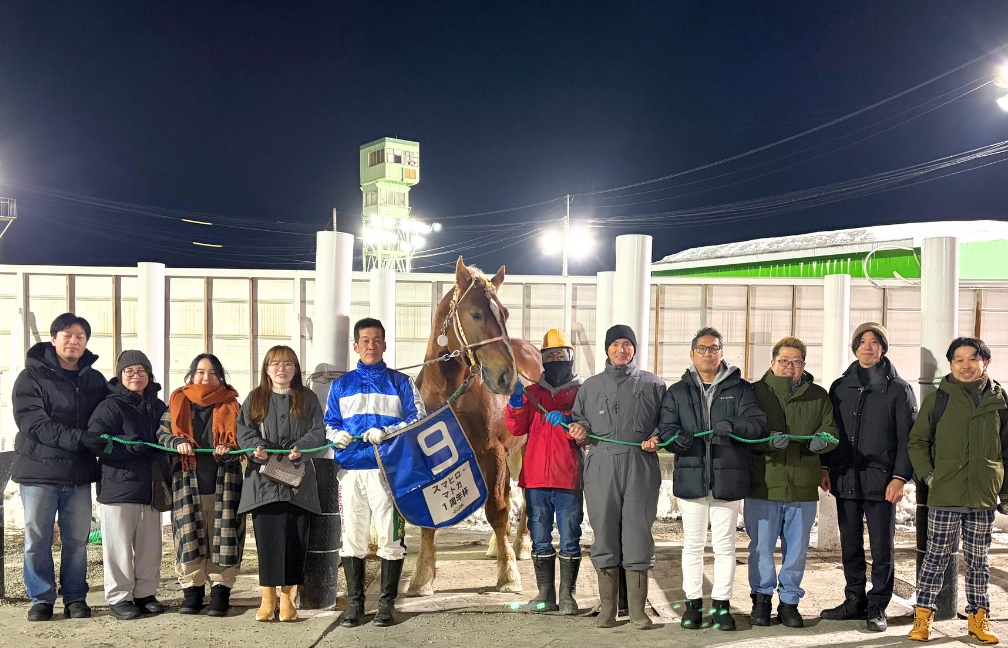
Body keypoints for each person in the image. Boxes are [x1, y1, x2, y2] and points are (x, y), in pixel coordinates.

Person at [657, 326, 766, 632]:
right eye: (702, 349)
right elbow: (666, 428)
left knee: (724, 546)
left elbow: (756, 424)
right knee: (692, 545)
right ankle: (693, 605)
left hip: (727, 480)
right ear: (692, 354)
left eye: (714, 348)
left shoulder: (742, 389)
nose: (708, 353)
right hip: (691, 479)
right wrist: (677, 440)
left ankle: (721, 605)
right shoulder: (677, 392)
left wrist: (732, 426)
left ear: (722, 352)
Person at [325, 317, 426, 628]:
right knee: (352, 537)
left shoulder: (401, 382)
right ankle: (355, 605)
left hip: (388, 472)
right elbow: (330, 421)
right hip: (351, 471)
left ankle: (386, 604)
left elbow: (418, 416)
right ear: (356, 346)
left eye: (377, 340)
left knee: (390, 537)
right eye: (365, 340)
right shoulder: (339, 385)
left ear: (384, 344)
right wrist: (334, 435)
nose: (371, 345)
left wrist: (387, 430)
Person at [907, 338, 1008, 644]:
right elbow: (918, 442)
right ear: (950, 365)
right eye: (958, 360)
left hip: (982, 496)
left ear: (985, 363)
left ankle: (978, 618)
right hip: (945, 494)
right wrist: (929, 476)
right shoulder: (938, 400)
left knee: (979, 561)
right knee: (935, 558)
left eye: (972, 359)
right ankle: (923, 618)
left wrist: (1003, 490)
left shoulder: (1000, 401)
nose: (965, 365)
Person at [568, 324, 666, 629]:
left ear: (634, 349)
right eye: (615, 345)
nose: (621, 350)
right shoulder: (590, 387)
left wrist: (658, 437)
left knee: (638, 533)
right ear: (607, 349)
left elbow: (668, 422)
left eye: (627, 344)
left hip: (641, 466)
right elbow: (578, 421)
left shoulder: (654, 385)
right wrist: (579, 432)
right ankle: (609, 609)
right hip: (600, 466)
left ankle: (637, 610)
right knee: (605, 533)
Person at [12, 313, 108, 622]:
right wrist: (81, 438)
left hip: (78, 475)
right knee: (37, 538)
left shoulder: (94, 379)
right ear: (53, 340)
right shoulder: (32, 377)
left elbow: (111, 412)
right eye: (67, 335)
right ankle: (41, 598)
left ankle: (75, 597)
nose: (74, 340)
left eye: (80, 336)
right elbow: (34, 423)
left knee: (77, 540)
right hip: (38, 473)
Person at [821, 322, 916, 632]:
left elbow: (907, 439)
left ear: (883, 348)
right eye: (862, 341)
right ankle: (854, 600)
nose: (868, 346)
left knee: (881, 548)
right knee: (849, 545)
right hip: (845, 478)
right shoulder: (840, 387)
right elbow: (830, 432)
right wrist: (825, 467)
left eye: (874, 341)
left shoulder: (898, 389)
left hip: (882, 481)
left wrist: (900, 477)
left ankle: (877, 605)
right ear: (855, 347)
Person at [745, 337, 838, 628]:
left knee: (796, 549)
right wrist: (766, 443)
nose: (789, 367)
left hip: (802, 486)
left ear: (804, 366)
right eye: (783, 361)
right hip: (763, 483)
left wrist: (822, 444)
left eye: (796, 362)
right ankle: (761, 600)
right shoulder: (753, 393)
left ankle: (789, 602)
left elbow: (830, 430)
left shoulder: (818, 396)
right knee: (761, 547)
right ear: (772, 363)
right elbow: (744, 432)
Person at [237, 345, 326, 623]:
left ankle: (289, 599)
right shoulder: (255, 398)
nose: (281, 369)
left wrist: (302, 447)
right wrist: (257, 448)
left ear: (296, 369)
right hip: (264, 481)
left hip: (297, 480)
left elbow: (319, 430)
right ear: (266, 369)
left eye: (288, 364)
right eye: (275, 364)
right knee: (267, 541)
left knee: (296, 540)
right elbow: (244, 431)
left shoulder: (307, 398)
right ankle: (268, 598)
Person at [158, 353, 244, 617]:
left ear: (220, 376)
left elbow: (245, 437)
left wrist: (230, 447)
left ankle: (221, 592)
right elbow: (162, 435)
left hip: (224, 483)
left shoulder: (233, 405)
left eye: (212, 373)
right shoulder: (176, 403)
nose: (206, 377)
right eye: (200, 372)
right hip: (187, 482)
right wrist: (175, 442)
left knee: (225, 536)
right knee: (188, 537)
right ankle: (192, 591)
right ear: (191, 375)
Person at [505, 328, 584, 614]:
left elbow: (587, 432)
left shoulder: (581, 393)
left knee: (570, 537)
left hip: (568, 478)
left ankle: (568, 598)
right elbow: (516, 428)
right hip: (536, 480)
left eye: (561, 355)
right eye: (550, 356)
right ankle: (545, 595)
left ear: (570, 358)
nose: (555, 360)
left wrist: (568, 419)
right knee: (539, 538)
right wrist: (514, 404)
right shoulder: (530, 394)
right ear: (543, 360)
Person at [88, 350, 168, 620]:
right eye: (129, 372)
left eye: (141, 371)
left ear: (149, 375)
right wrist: (128, 447)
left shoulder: (157, 406)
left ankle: (146, 593)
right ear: (120, 375)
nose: (136, 376)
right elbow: (96, 440)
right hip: (118, 486)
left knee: (150, 545)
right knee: (119, 546)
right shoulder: (110, 406)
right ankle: (120, 596)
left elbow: (168, 435)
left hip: (151, 486)